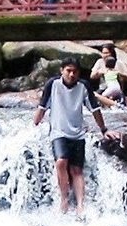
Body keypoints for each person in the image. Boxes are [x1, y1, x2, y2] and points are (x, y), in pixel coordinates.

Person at [33, 58, 119, 216]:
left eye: (75, 71)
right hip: (58, 132)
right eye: (68, 71)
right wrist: (35, 123)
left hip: (77, 134)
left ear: (79, 73)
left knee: (76, 170)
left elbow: (95, 109)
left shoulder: (84, 86)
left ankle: (80, 205)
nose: (72, 74)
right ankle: (64, 199)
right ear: (62, 70)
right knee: (61, 162)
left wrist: (104, 129)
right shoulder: (53, 84)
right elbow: (42, 107)